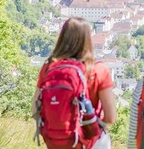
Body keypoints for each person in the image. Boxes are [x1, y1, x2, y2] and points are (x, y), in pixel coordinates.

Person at [36, 17, 117, 149]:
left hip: (56, 141)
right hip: (90, 142)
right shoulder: (97, 70)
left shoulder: (49, 68)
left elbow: (36, 108)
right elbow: (110, 117)